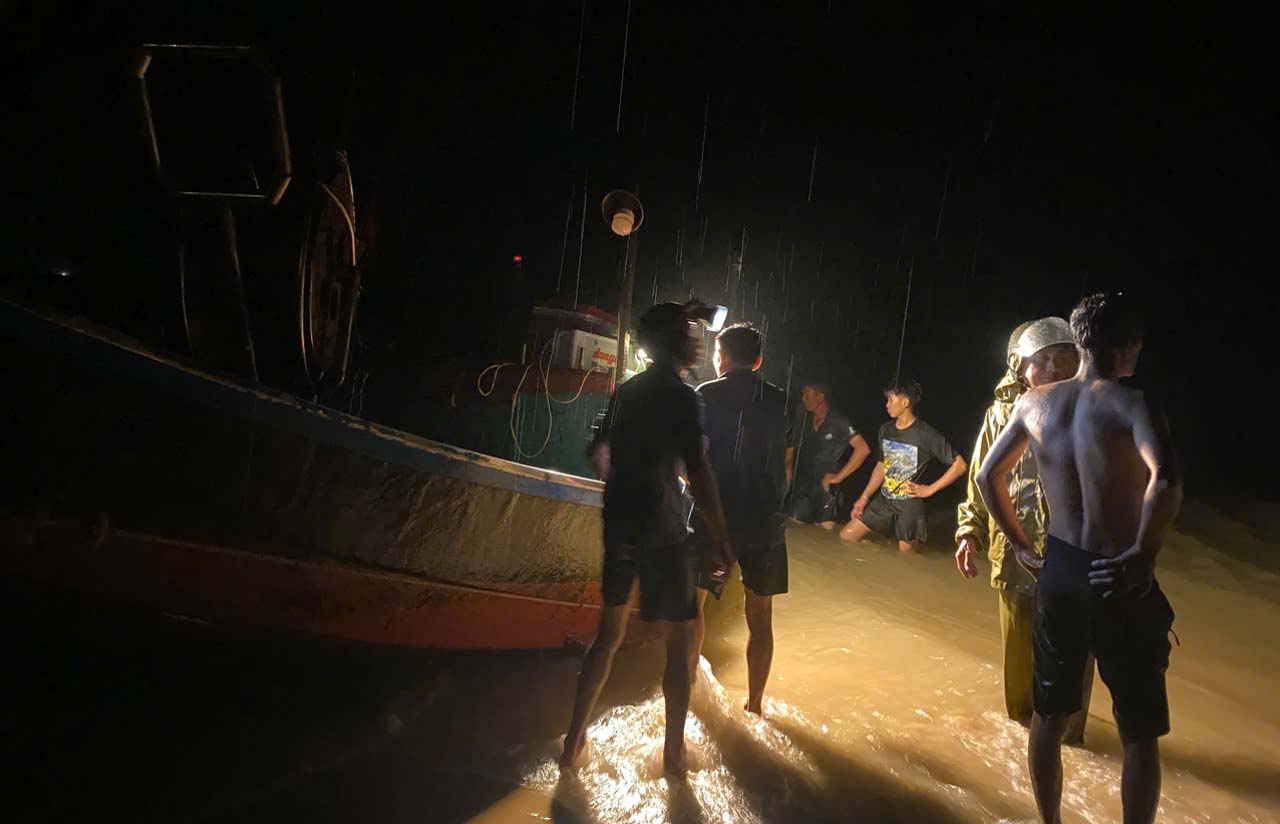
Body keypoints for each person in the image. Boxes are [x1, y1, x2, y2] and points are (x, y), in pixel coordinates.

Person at [976, 292, 1181, 824]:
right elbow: (1167, 479)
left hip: (1061, 572)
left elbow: (986, 477)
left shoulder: (1034, 404)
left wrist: (1021, 543)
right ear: (1128, 346)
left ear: (1079, 340)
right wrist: (1143, 553)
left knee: (1049, 716)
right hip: (1117, 573)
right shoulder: (1133, 403)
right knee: (1138, 732)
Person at [561, 302, 734, 777]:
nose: (696, 340)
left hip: (621, 522)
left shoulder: (628, 390)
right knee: (679, 644)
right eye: (689, 333)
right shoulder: (681, 396)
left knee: (608, 639)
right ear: (674, 343)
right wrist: (720, 534)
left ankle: (572, 745)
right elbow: (698, 471)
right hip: (663, 529)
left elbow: (597, 449)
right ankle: (673, 755)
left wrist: (625, 479)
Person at [954, 318, 1094, 741]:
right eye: (1041, 360)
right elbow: (982, 474)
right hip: (1013, 555)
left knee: (1073, 658)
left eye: (1062, 359)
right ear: (1021, 367)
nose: (1051, 368)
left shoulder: (1092, 408)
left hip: (1074, 556)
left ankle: (1072, 743)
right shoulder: (1001, 413)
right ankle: (1020, 739)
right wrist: (968, 532)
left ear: (1079, 363)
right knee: (1018, 662)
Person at [688, 322, 789, 715]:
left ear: (722, 358)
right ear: (759, 360)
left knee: (693, 607)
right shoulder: (781, 400)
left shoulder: (705, 396)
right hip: (764, 519)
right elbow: (786, 461)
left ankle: (690, 693)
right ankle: (756, 705)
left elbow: (693, 461)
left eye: (717, 354)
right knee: (760, 616)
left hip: (716, 516)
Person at [840, 381, 967, 552]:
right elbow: (881, 465)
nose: (887, 405)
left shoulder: (926, 434)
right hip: (884, 501)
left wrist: (929, 489)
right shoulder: (885, 429)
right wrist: (864, 497)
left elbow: (959, 465)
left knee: (907, 560)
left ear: (905, 402)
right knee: (845, 537)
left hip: (909, 507)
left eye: (891, 400)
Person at [786, 383, 871, 529]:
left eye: (807, 395)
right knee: (796, 531)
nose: (803, 399)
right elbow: (790, 451)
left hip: (827, 490)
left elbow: (863, 449)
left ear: (820, 397)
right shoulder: (803, 420)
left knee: (826, 534)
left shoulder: (839, 422)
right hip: (803, 488)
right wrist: (787, 482)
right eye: (802, 395)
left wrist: (839, 477)